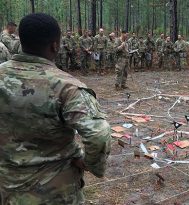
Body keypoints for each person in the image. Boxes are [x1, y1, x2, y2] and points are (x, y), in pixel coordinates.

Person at [0, 13, 111, 204]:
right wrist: (90, 164)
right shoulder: (66, 87)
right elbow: (98, 134)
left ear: (21, 41)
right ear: (55, 45)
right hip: (53, 192)